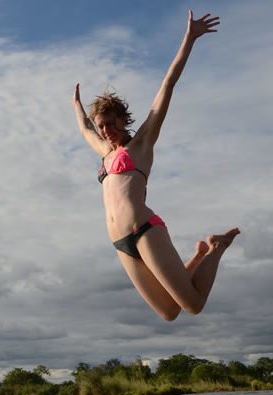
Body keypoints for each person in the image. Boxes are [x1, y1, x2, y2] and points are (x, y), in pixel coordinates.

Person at [72, 10, 239, 321]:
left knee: (193, 305)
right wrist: (76, 105)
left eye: (109, 124)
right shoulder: (104, 151)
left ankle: (216, 249)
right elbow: (83, 128)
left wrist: (189, 39)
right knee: (169, 311)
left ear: (122, 120)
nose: (105, 130)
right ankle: (200, 256)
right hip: (120, 242)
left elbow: (168, 85)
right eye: (101, 126)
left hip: (144, 230)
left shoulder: (142, 143)